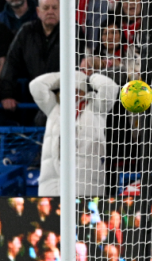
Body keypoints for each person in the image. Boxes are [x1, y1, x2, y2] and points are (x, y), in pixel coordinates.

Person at [30, 69, 118, 197]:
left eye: (77, 90)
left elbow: (109, 87)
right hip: (52, 181)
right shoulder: (54, 107)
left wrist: (88, 78)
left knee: (83, 217)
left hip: (86, 181)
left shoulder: (97, 107)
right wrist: (66, 75)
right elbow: (36, 85)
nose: (73, 93)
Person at [0, 0, 60, 113]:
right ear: (38, 11)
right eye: (46, 8)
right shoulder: (26, 32)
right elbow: (11, 63)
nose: (51, 12)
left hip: (63, 99)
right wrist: (7, 94)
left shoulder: (73, 31)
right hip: (32, 98)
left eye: (55, 8)